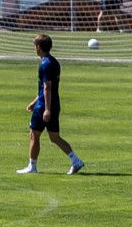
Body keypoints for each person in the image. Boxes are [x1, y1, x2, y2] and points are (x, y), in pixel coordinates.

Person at [18, 34, 85, 175]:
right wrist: (34, 102)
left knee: (34, 134)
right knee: (54, 137)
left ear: (39, 47)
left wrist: (46, 109)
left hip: (45, 106)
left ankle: (32, 166)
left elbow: (47, 87)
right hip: (53, 104)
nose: (34, 49)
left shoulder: (45, 64)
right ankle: (76, 161)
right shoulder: (53, 62)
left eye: (35, 46)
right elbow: (46, 88)